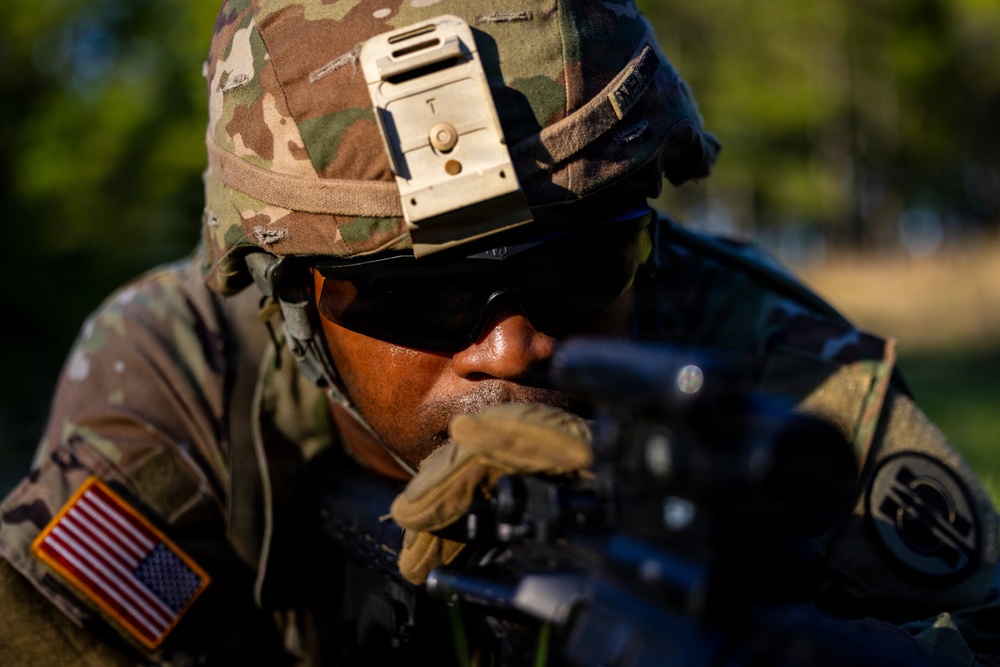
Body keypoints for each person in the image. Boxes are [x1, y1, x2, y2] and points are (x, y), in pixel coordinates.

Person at [1, 0, 997, 664]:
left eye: (577, 266)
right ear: (292, 302)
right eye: (422, 297)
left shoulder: (773, 380)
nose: (513, 346)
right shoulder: (184, 375)